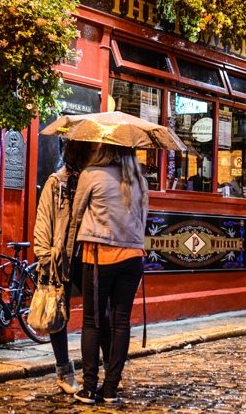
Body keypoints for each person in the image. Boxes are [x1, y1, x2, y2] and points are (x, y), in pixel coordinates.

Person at [71, 143, 148, 404]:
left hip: (99, 256)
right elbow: (143, 220)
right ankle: (111, 388)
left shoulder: (91, 174)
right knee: (120, 322)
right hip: (132, 258)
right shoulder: (139, 180)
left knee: (92, 321)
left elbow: (76, 214)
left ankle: (89, 388)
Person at [34, 140, 103, 394]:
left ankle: (93, 374)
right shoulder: (56, 183)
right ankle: (63, 369)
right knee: (57, 314)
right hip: (61, 257)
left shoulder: (93, 182)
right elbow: (44, 220)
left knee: (97, 314)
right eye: (92, 152)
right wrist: (44, 257)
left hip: (87, 255)